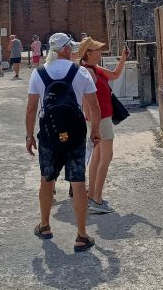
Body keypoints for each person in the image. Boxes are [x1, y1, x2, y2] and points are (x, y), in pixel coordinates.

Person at [26, 33, 102, 252]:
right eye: (72, 47)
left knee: (46, 180)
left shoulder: (38, 73)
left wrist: (29, 135)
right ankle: (81, 235)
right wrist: (94, 130)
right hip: (75, 135)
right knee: (78, 183)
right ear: (67, 50)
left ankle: (45, 225)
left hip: (49, 135)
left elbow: (32, 108)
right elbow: (94, 105)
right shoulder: (81, 72)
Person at [76, 37, 130, 214]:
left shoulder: (93, 68)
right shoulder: (87, 72)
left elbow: (114, 75)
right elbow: (86, 99)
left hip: (99, 118)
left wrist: (123, 58)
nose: (100, 52)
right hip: (100, 119)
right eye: (97, 50)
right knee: (106, 157)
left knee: (98, 157)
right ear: (88, 54)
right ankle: (97, 200)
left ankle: (92, 195)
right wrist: (94, 124)